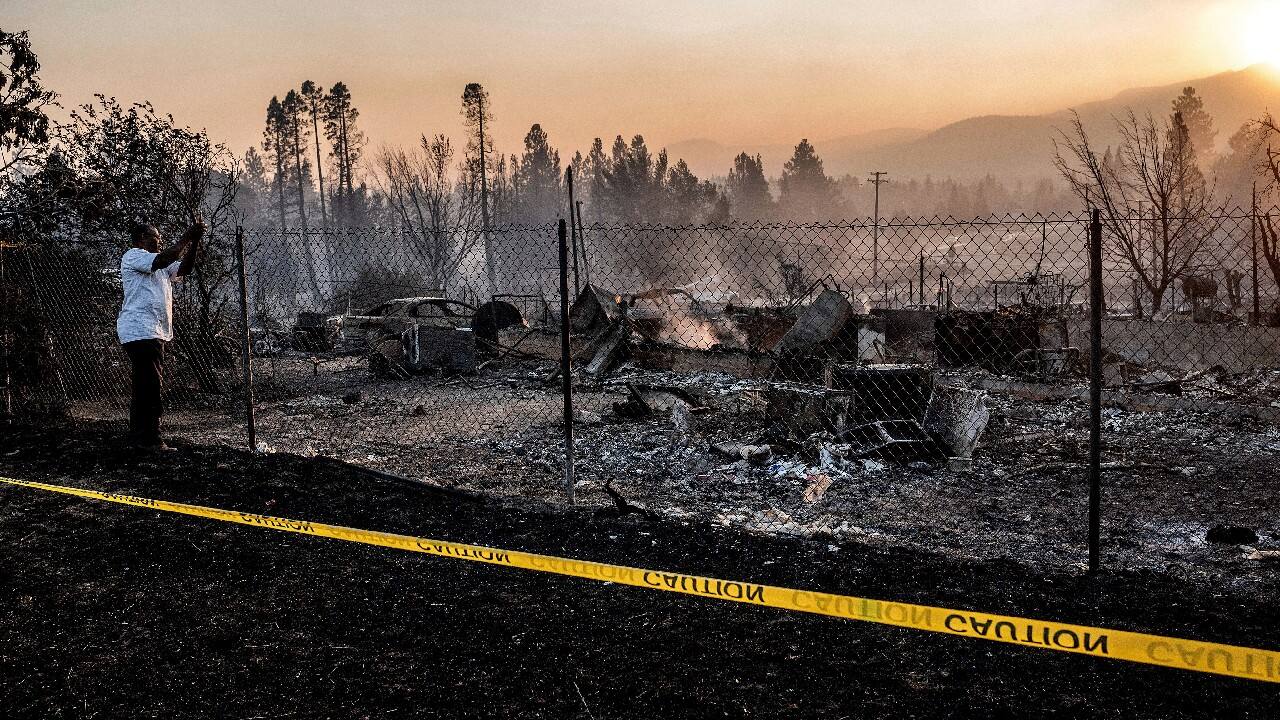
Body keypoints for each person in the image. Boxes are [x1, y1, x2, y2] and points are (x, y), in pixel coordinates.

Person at [117, 219, 205, 449]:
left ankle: (139, 437)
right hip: (141, 328)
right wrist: (187, 236)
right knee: (151, 384)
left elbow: (184, 268)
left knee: (145, 384)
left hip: (152, 330)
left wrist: (193, 243)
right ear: (140, 241)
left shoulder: (159, 264)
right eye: (154, 239)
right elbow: (165, 258)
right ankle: (151, 439)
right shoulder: (134, 256)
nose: (159, 242)